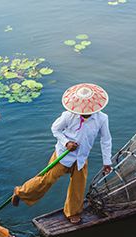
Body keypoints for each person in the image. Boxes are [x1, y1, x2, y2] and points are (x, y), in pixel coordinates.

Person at [12, 83, 113, 224]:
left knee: (78, 187)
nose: (84, 113)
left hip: (81, 158)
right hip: (63, 155)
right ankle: (20, 192)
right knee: (46, 180)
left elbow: (106, 140)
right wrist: (67, 143)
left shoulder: (102, 119)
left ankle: (72, 212)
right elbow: (55, 129)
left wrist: (106, 161)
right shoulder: (68, 116)